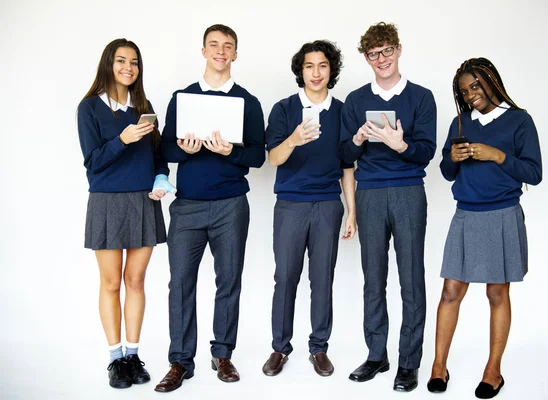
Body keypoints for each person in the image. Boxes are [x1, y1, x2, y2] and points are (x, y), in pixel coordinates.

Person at [154, 24, 265, 392]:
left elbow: (258, 157)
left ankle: (223, 354)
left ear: (235, 54)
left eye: (228, 46)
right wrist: (182, 150)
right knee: (180, 284)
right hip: (187, 207)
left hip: (231, 205)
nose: (220, 51)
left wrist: (229, 151)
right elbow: (165, 150)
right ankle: (180, 362)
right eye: (214, 45)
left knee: (228, 282)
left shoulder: (248, 101)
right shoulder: (182, 98)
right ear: (203, 51)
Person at [427, 57, 542, 399]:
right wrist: (453, 158)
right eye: (464, 91)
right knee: (450, 292)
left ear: (492, 81)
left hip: (502, 214)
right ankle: (438, 365)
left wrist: (496, 155)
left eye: (475, 85)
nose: (470, 94)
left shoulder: (519, 121)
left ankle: (493, 370)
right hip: (465, 214)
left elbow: (534, 174)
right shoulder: (460, 123)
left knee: (496, 294)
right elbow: (447, 172)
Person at [339, 22, 437, 392]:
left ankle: (409, 363)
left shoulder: (422, 98)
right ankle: (376, 354)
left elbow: (426, 152)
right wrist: (358, 138)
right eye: (373, 54)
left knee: (411, 278)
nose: (381, 59)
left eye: (386, 51)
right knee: (373, 277)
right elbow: (344, 156)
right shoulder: (356, 100)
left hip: (409, 191)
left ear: (398, 50)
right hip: (370, 193)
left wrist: (401, 146)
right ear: (366, 58)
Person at [77, 38, 174, 389]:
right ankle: (115, 360)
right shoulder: (88, 108)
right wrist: (124, 139)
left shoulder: (143, 107)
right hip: (106, 201)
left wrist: (162, 178)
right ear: (108, 64)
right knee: (110, 283)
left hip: (144, 200)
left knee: (136, 281)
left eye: (134, 62)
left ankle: (133, 355)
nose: (128, 68)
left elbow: (158, 156)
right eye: (121, 61)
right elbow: (93, 162)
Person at [261, 40, 356, 378]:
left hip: (328, 204)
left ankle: (319, 348)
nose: (316, 73)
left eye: (323, 66)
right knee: (285, 277)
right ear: (300, 71)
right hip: (290, 204)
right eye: (309, 66)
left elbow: (348, 166)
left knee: (322, 279)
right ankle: (279, 348)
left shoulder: (344, 111)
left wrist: (351, 211)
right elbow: (272, 158)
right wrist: (294, 139)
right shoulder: (284, 109)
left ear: (332, 71)